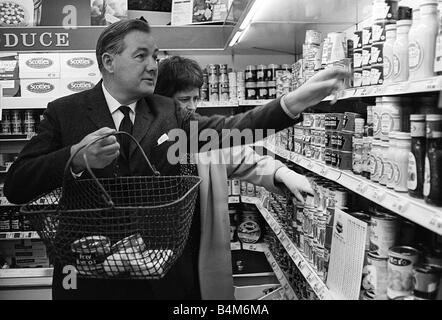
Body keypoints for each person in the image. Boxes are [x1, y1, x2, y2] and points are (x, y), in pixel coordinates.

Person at [4, 19, 348, 300]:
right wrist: (75, 158)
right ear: (109, 61)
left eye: (155, 56)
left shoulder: (169, 112)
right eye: (141, 56)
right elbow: (18, 185)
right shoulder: (65, 112)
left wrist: (295, 101)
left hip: (160, 277)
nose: (153, 65)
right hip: (86, 277)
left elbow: (232, 130)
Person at [154, 55, 314, 299]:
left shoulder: (205, 137)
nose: (192, 106)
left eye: (196, 98)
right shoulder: (148, 140)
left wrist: (283, 173)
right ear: (163, 101)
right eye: (184, 100)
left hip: (200, 243)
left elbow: (249, 160)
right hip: (159, 248)